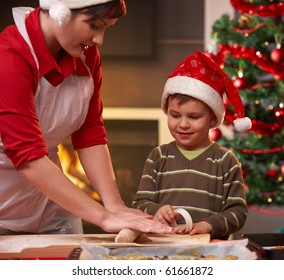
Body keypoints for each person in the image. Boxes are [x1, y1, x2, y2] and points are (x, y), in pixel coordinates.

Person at [0, 0, 172, 235]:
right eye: (94, 25)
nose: (99, 40)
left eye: (105, 28)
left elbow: (90, 133)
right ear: (60, 11)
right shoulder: (9, 56)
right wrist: (103, 217)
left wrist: (114, 206)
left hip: (47, 196)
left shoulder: (87, 55)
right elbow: (27, 155)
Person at [132, 50, 252, 240]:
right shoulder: (158, 156)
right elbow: (140, 204)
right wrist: (157, 210)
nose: (183, 124)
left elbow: (238, 212)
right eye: (175, 115)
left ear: (212, 119)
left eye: (194, 117)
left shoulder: (225, 160)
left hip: (209, 250)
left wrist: (208, 225)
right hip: (162, 249)